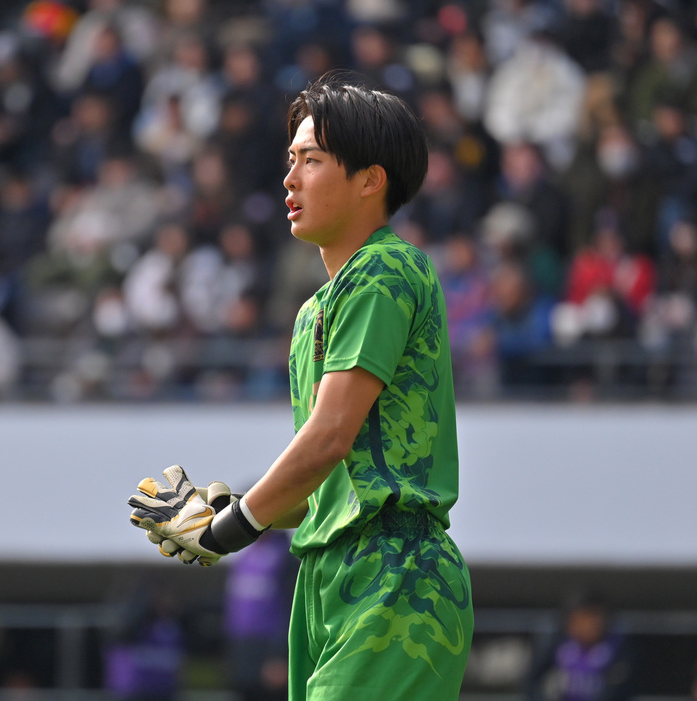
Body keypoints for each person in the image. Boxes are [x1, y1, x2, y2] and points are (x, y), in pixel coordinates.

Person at [129, 73, 473, 700]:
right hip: (323, 580)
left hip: (396, 575)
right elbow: (322, 483)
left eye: (311, 161)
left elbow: (329, 438)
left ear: (371, 179)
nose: (289, 179)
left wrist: (227, 530)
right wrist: (222, 510)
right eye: (291, 160)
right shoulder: (313, 312)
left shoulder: (387, 266)